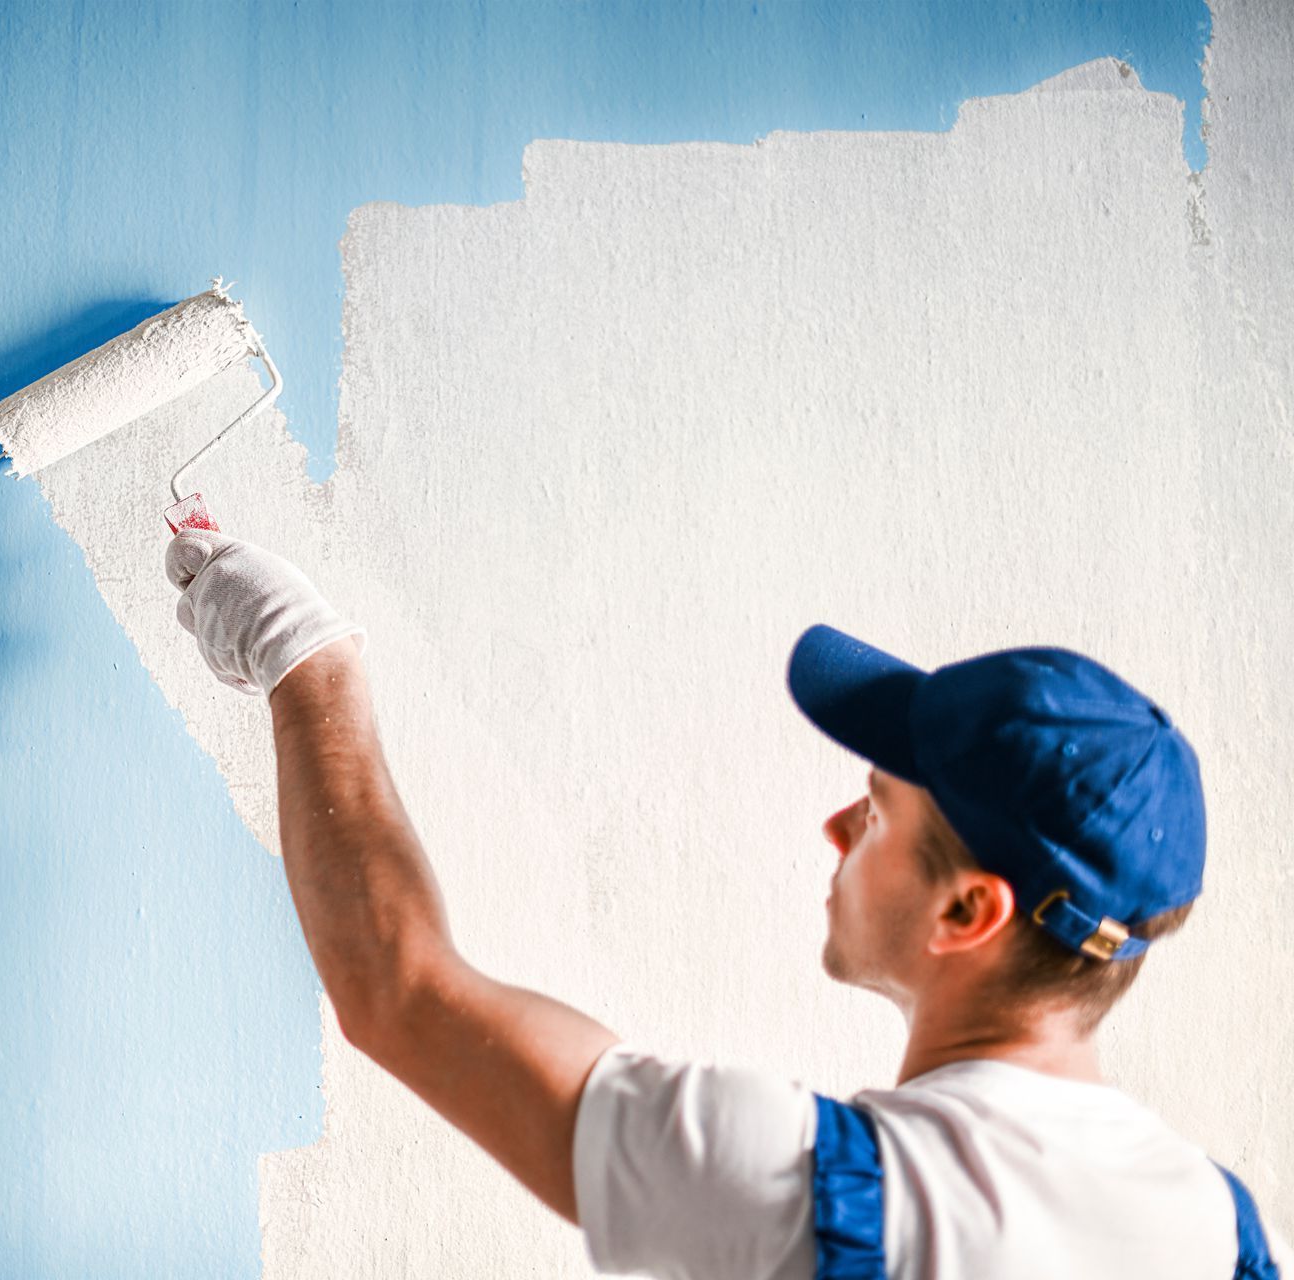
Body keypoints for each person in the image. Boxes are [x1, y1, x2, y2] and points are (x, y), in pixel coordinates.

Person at [163, 527, 1285, 1279]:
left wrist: (307, 663)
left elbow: (399, 989)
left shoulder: (814, 1186)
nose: (837, 829)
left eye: (878, 811)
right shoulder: (1224, 1230)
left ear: (967, 913)